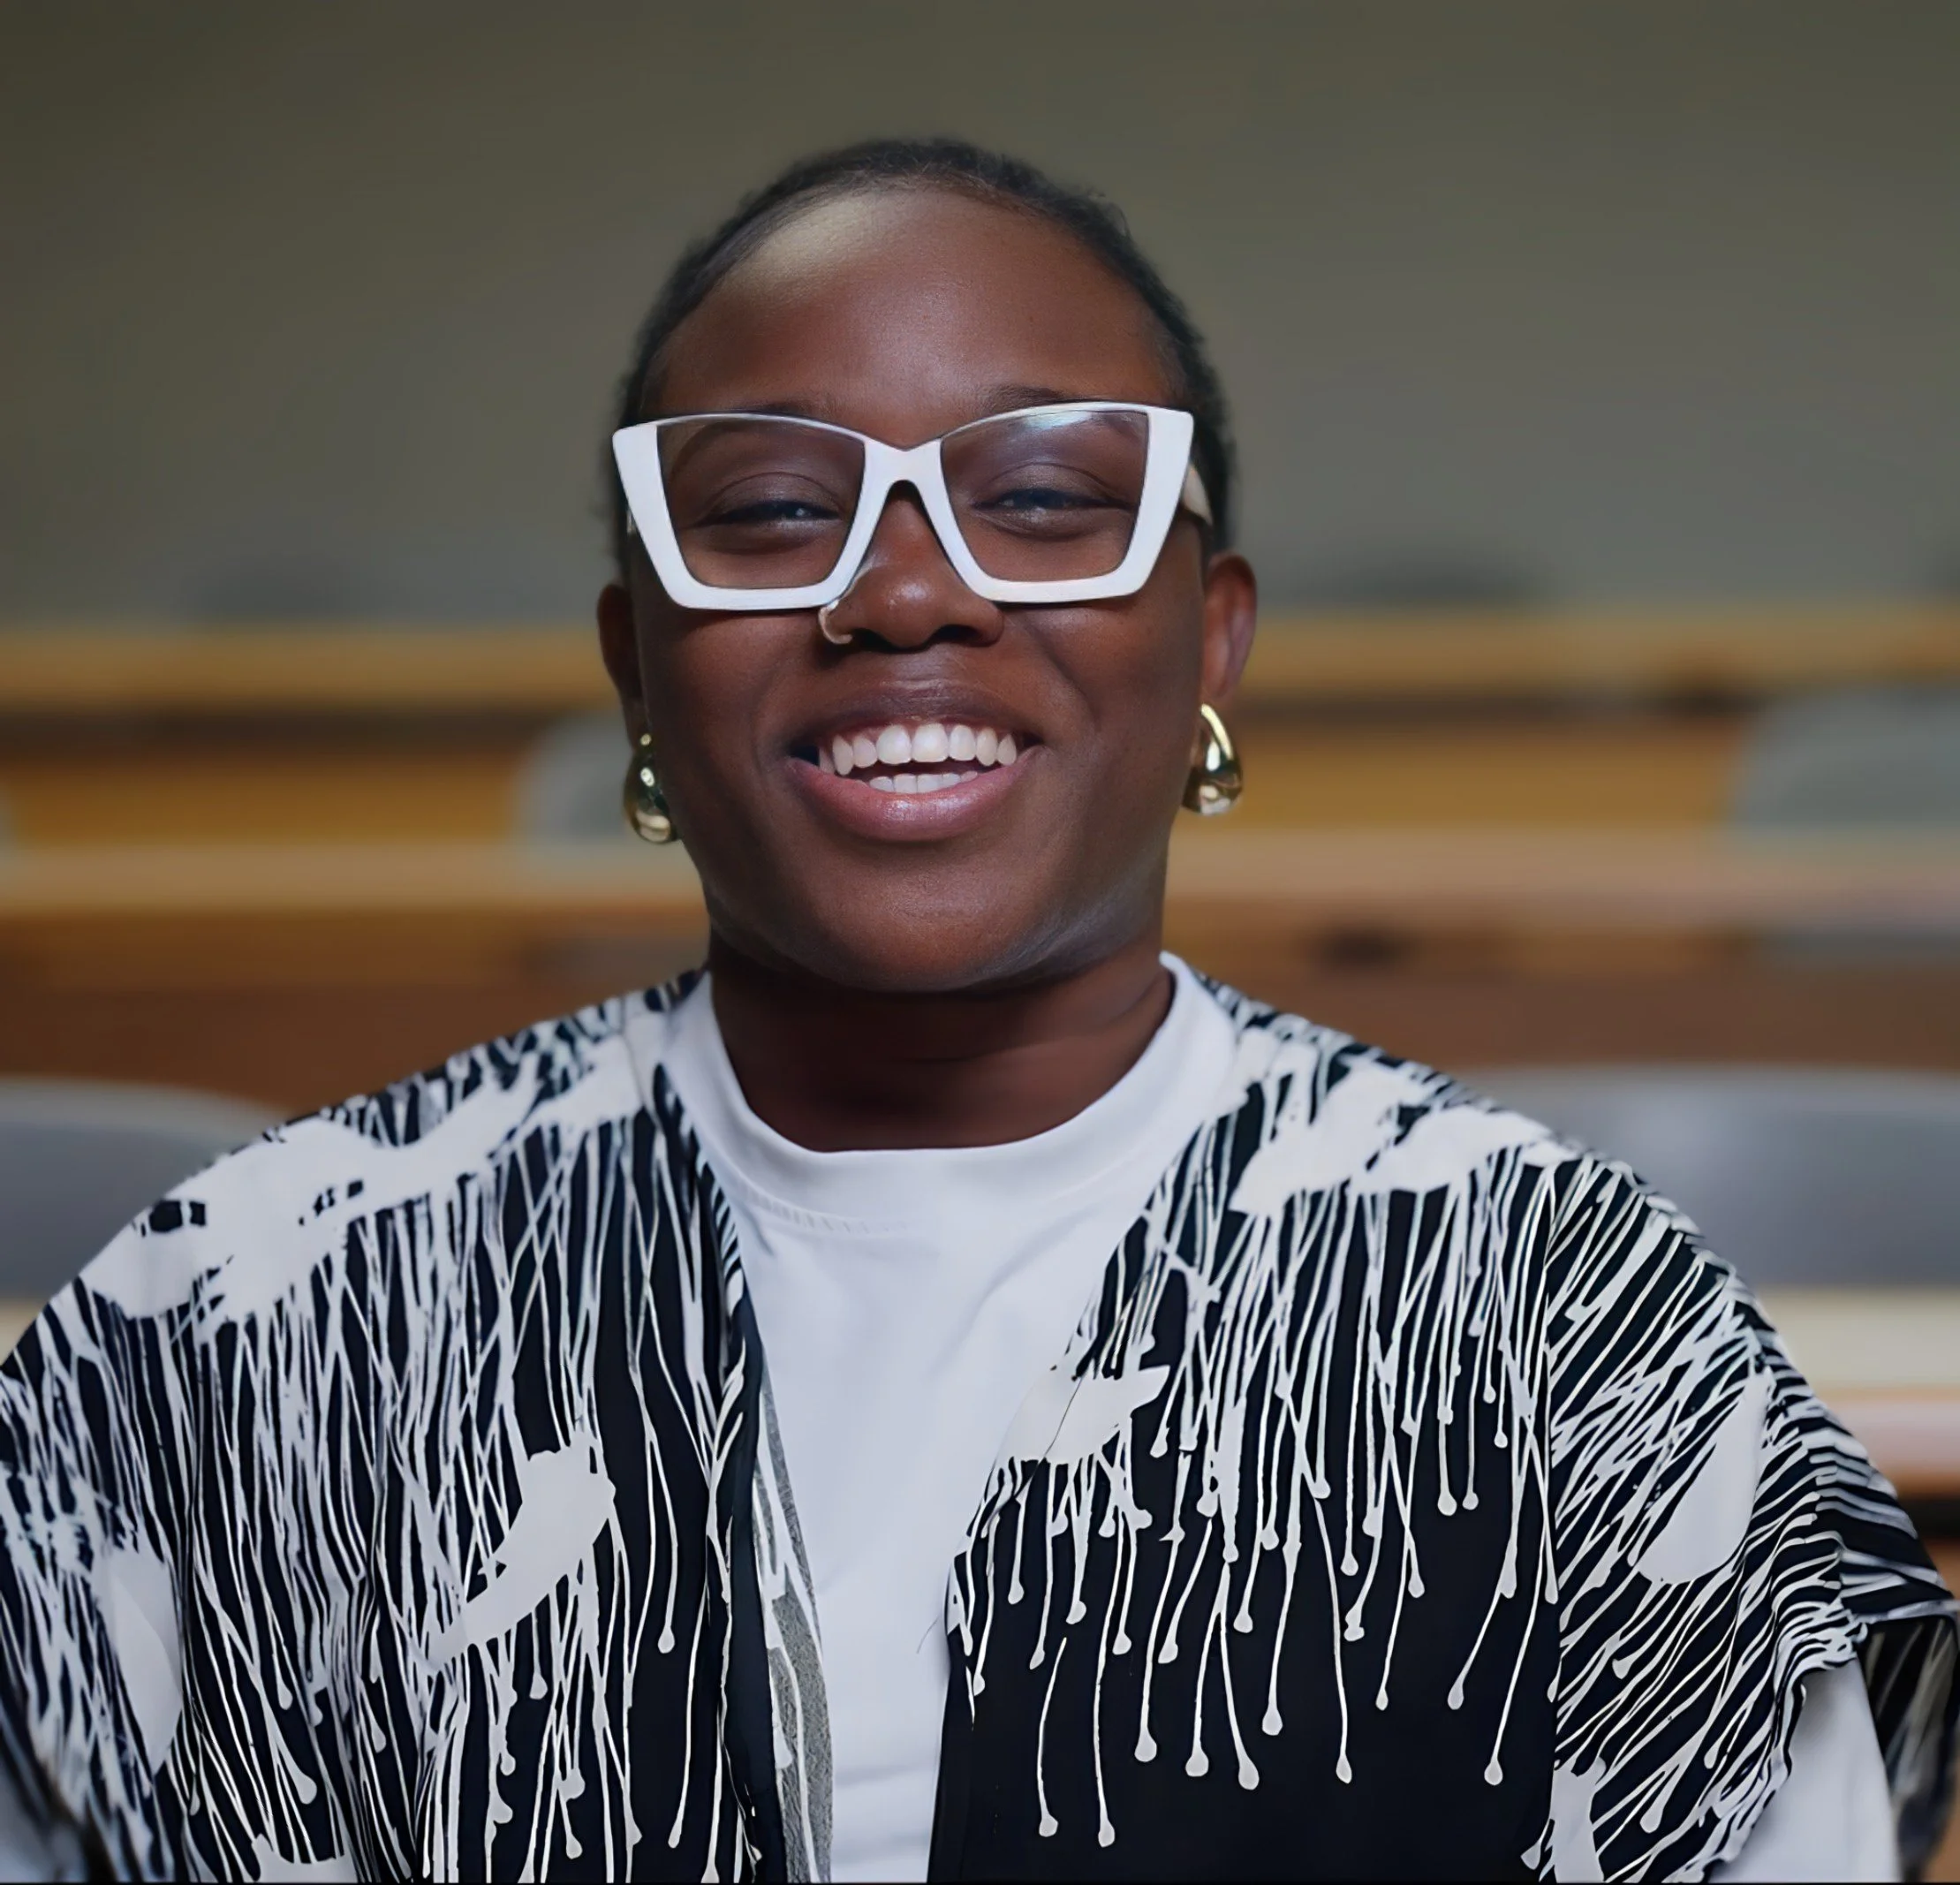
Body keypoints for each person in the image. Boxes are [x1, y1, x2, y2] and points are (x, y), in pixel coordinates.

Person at [0, 139, 1951, 1884]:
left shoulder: (1556, 1315)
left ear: (1208, 641)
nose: (904, 590)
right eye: (767, 510)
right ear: (636, 661)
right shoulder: (245, 1318)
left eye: (1037, 495)